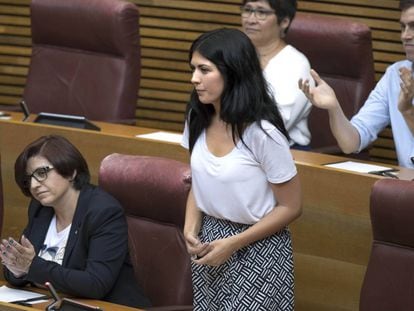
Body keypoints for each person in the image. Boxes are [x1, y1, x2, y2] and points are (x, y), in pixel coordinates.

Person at [181, 28, 302, 310]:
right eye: (193, 69)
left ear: (232, 72)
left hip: (257, 248)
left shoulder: (263, 133)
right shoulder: (197, 116)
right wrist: (190, 229)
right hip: (209, 242)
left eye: (204, 69)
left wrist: (234, 243)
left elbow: (291, 207)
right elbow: (200, 183)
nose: (194, 79)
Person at [0, 135, 151, 308]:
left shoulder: (103, 212)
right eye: (28, 179)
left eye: (41, 173)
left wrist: (31, 267)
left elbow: (95, 284)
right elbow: (22, 266)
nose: (34, 185)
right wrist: (18, 270)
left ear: (71, 171)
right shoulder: (40, 208)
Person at [299, 0, 414, 168]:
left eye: (413, 26)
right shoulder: (394, 75)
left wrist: (407, 111)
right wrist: (334, 108)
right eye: (403, 27)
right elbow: (350, 143)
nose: (405, 35)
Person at [241, 0, 313, 149]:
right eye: (247, 10)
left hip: (285, 152)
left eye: (261, 12)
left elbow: (277, 123)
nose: (251, 19)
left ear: (284, 21)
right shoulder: (236, 56)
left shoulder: (295, 63)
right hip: (235, 144)